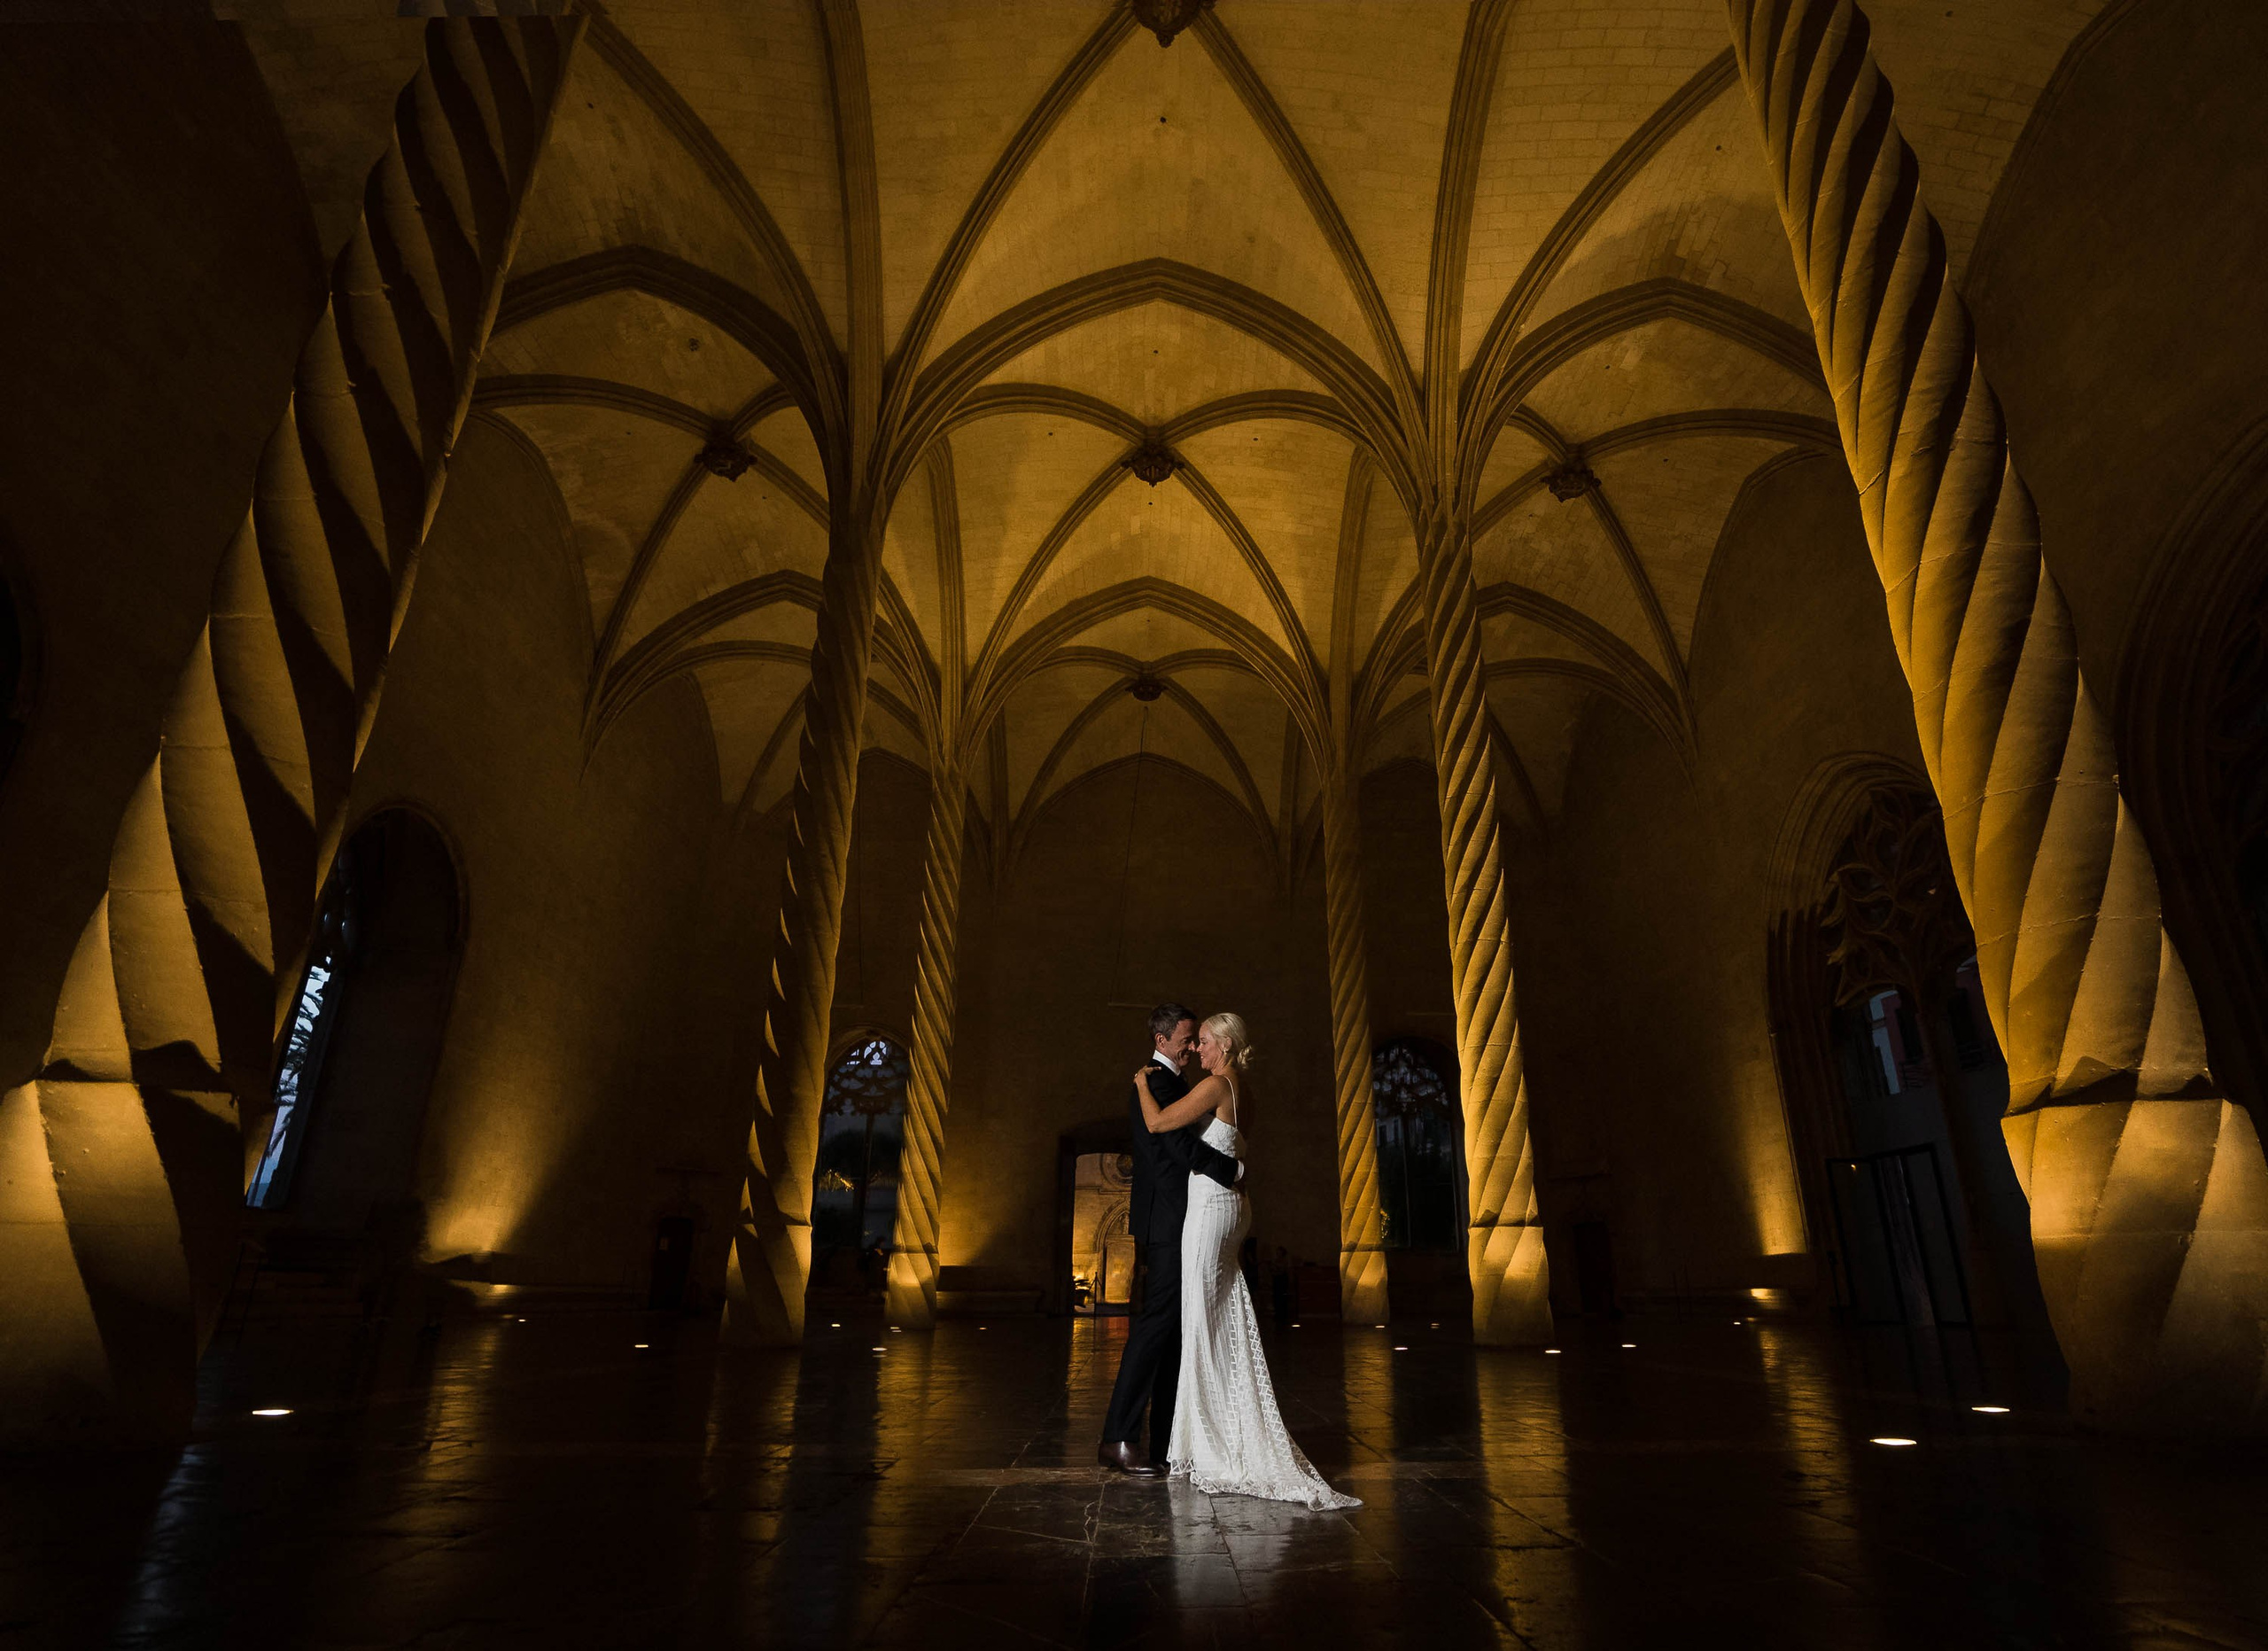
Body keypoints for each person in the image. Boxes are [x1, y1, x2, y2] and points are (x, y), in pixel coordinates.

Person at [1133, 1012, 1360, 1510]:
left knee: (1200, 1323)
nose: (1198, 1051)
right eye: (1196, 1044)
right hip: (1233, 1208)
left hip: (1212, 1211)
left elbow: (1156, 1123)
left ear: (1227, 1046)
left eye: (1206, 1042)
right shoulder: (1242, 1088)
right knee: (1224, 1317)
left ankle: (1213, 1443)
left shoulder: (1218, 1085)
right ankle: (1225, 1428)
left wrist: (1140, 1084)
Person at [1097, 1004, 1243, 1476]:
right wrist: (1230, 1170)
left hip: (1185, 1219)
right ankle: (1118, 1438)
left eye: (1197, 1039)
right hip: (1168, 1222)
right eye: (1186, 1038)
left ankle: (1165, 1440)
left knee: (1177, 1330)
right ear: (1162, 1041)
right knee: (1156, 1325)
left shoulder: (1174, 1083)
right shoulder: (1156, 1082)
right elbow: (1175, 1148)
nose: (1191, 1046)